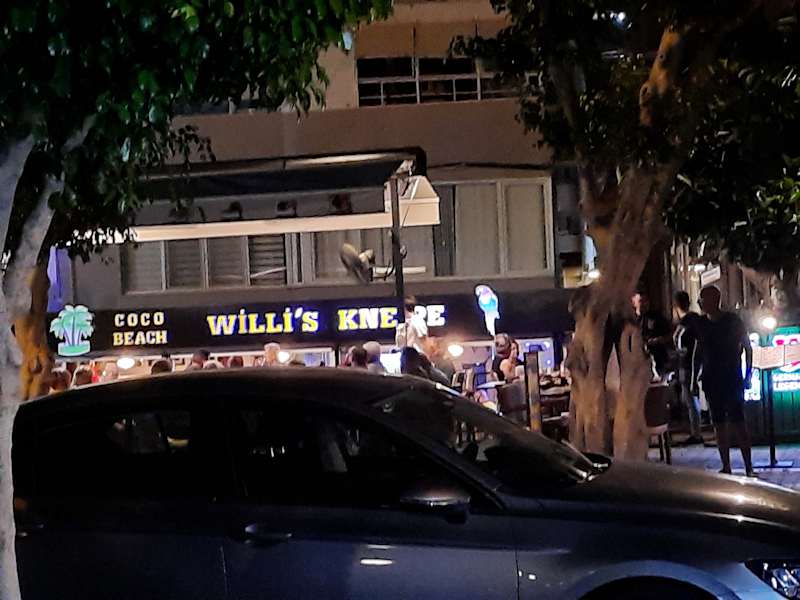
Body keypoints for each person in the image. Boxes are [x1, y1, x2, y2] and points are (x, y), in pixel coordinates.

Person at [696, 285, 754, 476]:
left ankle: (748, 466)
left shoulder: (732, 321)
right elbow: (698, 351)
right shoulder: (701, 324)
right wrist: (697, 375)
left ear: (715, 300)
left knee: (738, 421)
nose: (701, 303)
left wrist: (747, 375)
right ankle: (726, 465)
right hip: (712, 378)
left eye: (703, 300)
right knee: (719, 423)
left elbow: (747, 347)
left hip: (731, 377)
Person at [673, 291, 704, 444]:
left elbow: (677, 338)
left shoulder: (685, 321)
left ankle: (696, 433)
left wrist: (678, 350)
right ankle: (697, 430)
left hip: (687, 363)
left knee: (690, 398)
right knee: (693, 397)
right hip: (698, 362)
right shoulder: (697, 319)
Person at [633, 292, 672, 378]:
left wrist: (657, 340)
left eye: (646, 301)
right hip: (637, 363)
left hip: (658, 360)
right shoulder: (631, 321)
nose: (644, 304)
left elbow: (669, 335)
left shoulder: (657, 318)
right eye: (641, 301)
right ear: (634, 302)